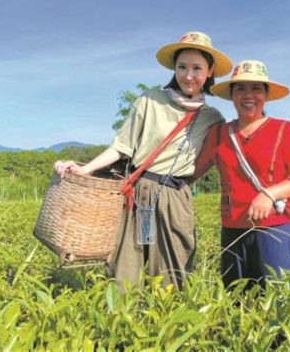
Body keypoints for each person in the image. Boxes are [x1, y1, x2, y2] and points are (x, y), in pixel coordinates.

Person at [54, 31, 232, 290]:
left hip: (175, 196)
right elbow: (121, 146)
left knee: (174, 271)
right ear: (175, 69)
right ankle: (122, 324)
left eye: (197, 68)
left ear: (209, 70)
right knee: (125, 270)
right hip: (138, 192)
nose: (189, 75)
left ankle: (168, 324)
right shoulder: (150, 100)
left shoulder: (212, 117)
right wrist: (85, 169)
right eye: (182, 67)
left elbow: (214, 157)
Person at [191, 60, 290, 289]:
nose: (248, 95)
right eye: (240, 88)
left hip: (276, 229)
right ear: (232, 95)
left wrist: (269, 194)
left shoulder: (283, 129)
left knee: (282, 301)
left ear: (266, 94)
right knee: (237, 302)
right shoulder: (219, 133)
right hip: (232, 230)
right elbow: (192, 171)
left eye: (256, 88)